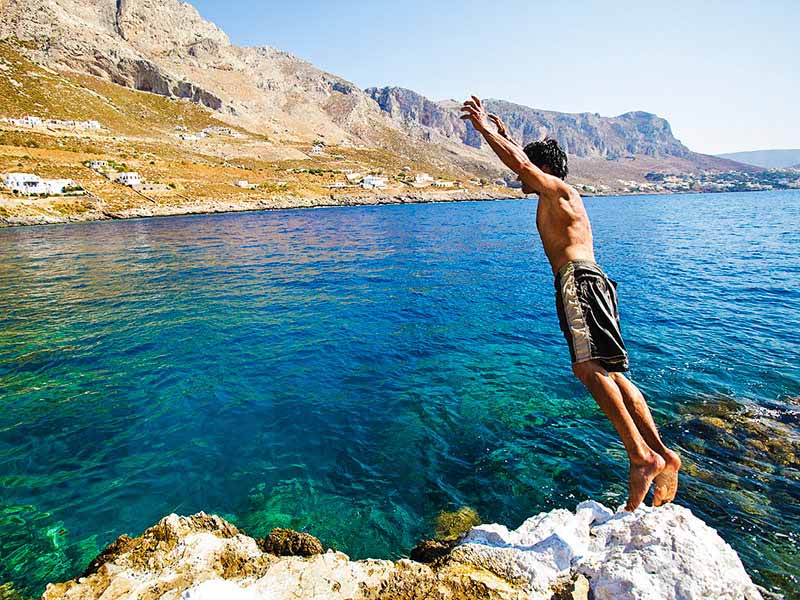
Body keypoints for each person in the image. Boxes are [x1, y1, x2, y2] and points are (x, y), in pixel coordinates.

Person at [461, 96, 680, 511]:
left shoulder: (557, 190)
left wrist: (485, 132)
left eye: (527, 170)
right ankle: (664, 455)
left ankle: (640, 456)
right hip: (594, 280)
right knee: (613, 373)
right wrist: (503, 133)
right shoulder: (558, 194)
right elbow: (525, 162)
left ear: (541, 170)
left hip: (577, 281)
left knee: (586, 367)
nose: (518, 178)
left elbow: (523, 167)